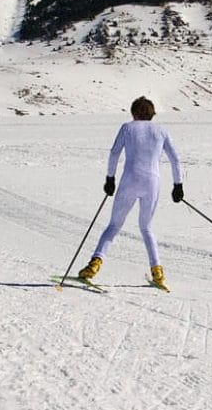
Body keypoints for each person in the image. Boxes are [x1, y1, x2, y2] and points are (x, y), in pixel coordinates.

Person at [78, 96, 183, 290]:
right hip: (152, 182)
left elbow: (114, 153)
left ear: (134, 113)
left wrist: (110, 178)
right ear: (152, 114)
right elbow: (175, 160)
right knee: (146, 228)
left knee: (114, 225)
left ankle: (93, 266)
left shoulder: (127, 128)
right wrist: (178, 185)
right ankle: (157, 272)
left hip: (129, 180)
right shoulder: (161, 131)